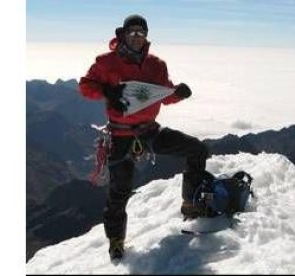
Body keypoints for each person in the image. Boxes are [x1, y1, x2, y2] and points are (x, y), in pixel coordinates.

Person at [79, 14, 209, 260]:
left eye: (142, 33)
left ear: (147, 36)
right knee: (120, 190)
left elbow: (162, 95)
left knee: (197, 150)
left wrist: (178, 93)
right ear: (123, 34)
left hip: (149, 129)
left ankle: (190, 203)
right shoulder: (106, 62)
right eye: (133, 32)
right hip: (119, 134)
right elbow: (85, 86)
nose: (137, 37)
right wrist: (107, 90)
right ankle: (116, 241)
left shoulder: (156, 65)